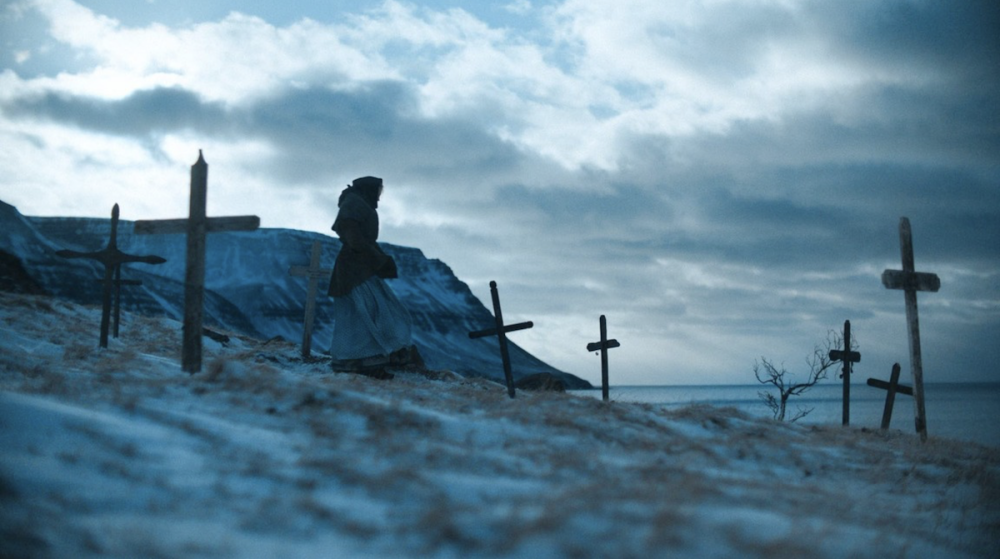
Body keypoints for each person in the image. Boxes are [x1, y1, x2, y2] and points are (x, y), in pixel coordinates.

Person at [327, 176, 415, 378]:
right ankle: (358, 361)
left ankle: (369, 359)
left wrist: (377, 257)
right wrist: (373, 255)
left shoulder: (359, 203)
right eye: (378, 190)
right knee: (361, 313)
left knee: (374, 311)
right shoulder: (354, 203)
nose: (379, 196)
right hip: (354, 268)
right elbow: (352, 235)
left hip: (361, 267)